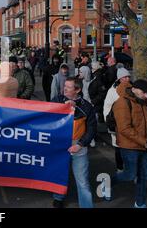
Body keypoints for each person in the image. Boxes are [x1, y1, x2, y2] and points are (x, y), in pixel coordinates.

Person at [52, 77, 97, 208]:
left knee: (82, 180)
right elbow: (46, 117)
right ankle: (58, 197)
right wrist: (62, 107)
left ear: (77, 90)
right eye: (64, 85)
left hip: (78, 145)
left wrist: (80, 144)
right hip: (59, 143)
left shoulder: (87, 107)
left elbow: (92, 129)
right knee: (59, 173)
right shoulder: (57, 100)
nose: (64, 88)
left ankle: (86, 205)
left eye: (68, 87)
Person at [111, 79, 147, 208]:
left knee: (143, 176)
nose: (146, 96)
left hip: (144, 145)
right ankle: (107, 183)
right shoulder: (122, 103)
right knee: (130, 174)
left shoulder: (142, 101)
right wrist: (144, 141)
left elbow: (146, 124)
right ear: (135, 89)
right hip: (129, 146)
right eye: (144, 93)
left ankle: (140, 203)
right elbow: (124, 128)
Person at [103, 67, 132, 173]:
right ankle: (120, 168)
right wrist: (109, 123)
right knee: (118, 147)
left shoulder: (132, 89)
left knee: (130, 148)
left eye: (128, 76)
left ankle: (131, 169)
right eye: (125, 77)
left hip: (129, 124)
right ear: (119, 78)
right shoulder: (112, 91)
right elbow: (107, 107)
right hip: (116, 123)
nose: (127, 79)